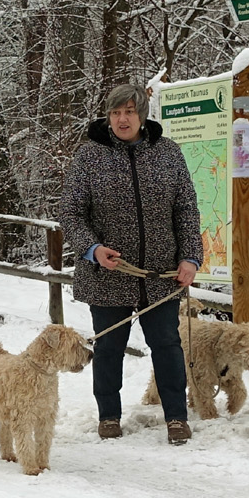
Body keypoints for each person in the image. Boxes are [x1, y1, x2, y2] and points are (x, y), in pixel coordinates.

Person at [60, 82, 202, 445]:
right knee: (108, 348)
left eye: (130, 111)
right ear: (108, 116)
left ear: (143, 114)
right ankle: (108, 415)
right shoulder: (90, 157)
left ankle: (176, 417)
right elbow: (71, 212)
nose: (122, 119)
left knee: (168, 345)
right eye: (116, 112)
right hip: (107, 274)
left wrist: (189, 257)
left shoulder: (168, 153)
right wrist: (92, 249)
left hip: (160, 275)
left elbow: (185, 208)